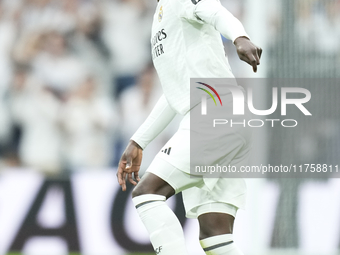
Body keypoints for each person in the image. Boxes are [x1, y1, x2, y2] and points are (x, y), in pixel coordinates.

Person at [117, 0, 262, 254]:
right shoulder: (161, 14)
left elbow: (213, 10)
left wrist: (240, 36)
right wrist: (138, 141)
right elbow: (174, 93)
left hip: (215, 112)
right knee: (215, 236)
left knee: (147, 194)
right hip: (223, 116)